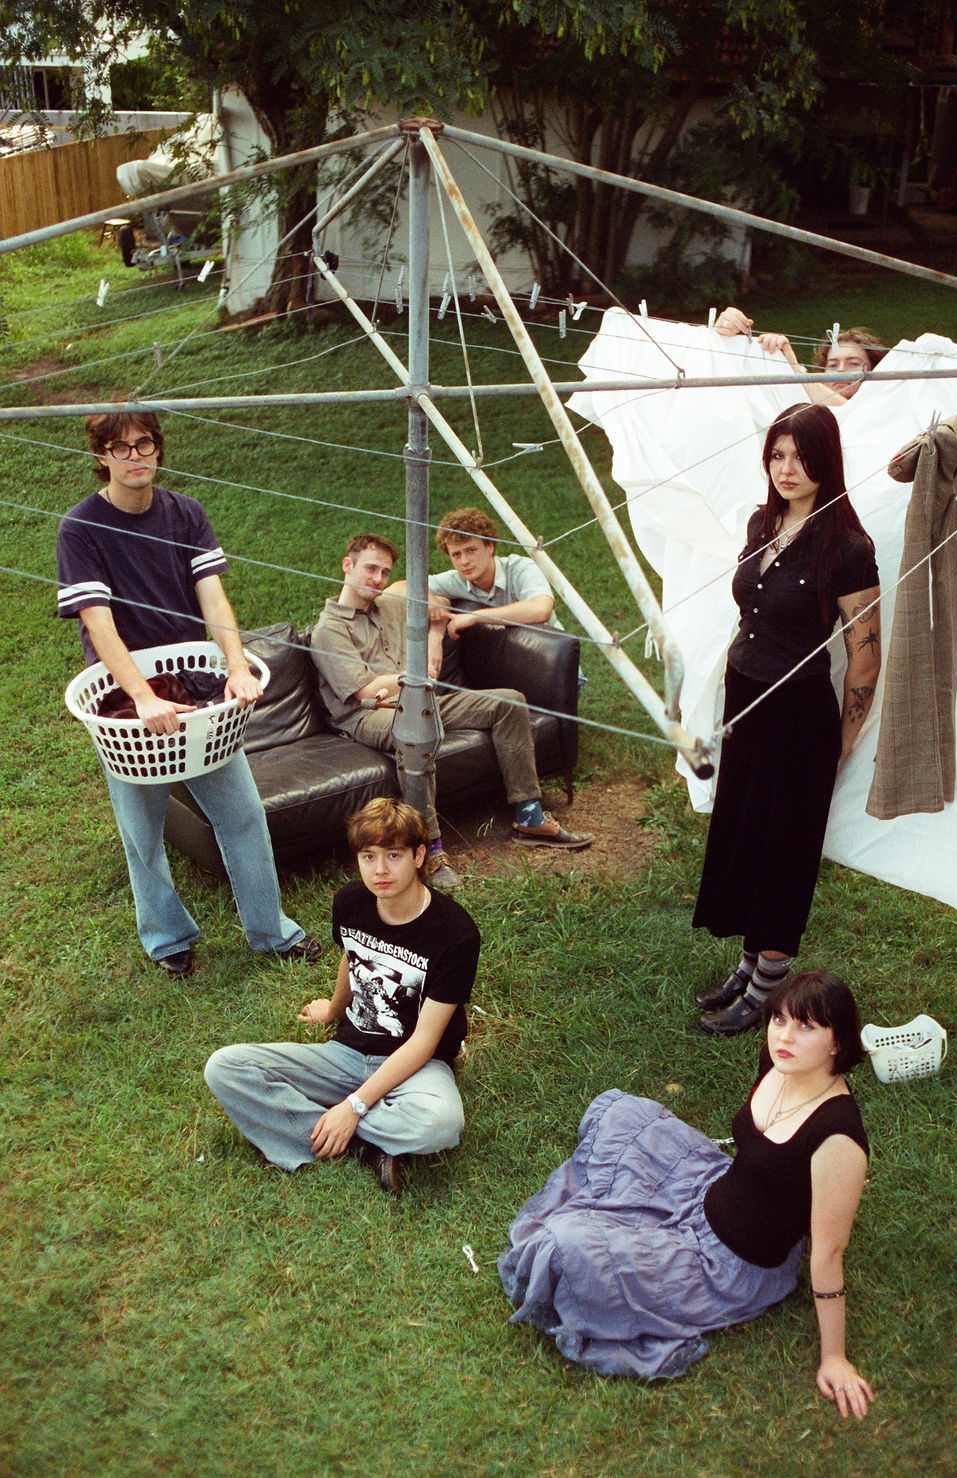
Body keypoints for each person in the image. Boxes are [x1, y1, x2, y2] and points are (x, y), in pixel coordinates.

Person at [498, 971, 874, 1414]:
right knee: (622, 1112)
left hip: (728, 1265)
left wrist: (834, 1357)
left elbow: (829, 1254)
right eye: (778, 1020)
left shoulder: (838, 1138)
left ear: (837, 1043)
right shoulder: (782, 1060)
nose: (783, 1036)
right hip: (704, 1189)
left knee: (567, 1246)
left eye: (806, 1026)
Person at [56, 411, 320, 978]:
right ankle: (167, 936)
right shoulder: (81, 528)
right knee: (142, 831)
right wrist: (143, 698)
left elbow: (213, 599)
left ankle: (270, 932)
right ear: (101, 456)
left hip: (193, 685)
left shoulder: (186, 513)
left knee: (243, 813)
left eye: (142, 444)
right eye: (118, 448)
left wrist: (235, 668)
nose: (133, 457)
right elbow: (99, 623)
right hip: (125, 701)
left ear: (157, 449)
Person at [692, 403, 881, 1035]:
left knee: (784, 847)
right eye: (777, 454)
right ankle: (749, 966)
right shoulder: (761, 522)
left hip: (798, 715)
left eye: (801, 456)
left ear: (826, 460)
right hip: (744, 698)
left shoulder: (850, 548)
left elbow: (864, 653)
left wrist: (844, 737)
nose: (787, 468)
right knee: (745, 833)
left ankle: (770, 984)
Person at [204, 798, 481, 1196]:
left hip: (417, 1066)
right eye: (369, 856)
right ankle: (366, 1147)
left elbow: (424, 1041)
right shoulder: (351, 901)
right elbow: (352, 958)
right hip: (348, 1053)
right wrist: (333, 1010)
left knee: (441, 1124)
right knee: (225, 1068)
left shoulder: (455, 932)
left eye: (394, 855)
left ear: (420, 856)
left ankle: (325, 1127)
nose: (380, 870)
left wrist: (353, 1107)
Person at [310, 533, 592, 888]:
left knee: (509, 702)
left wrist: (433, 642)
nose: (378, 579)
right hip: (368, 715)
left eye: (384, 572)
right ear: (347, 566)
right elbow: (368, 691)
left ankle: (529, 816)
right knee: (415, 733)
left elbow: (437, 602)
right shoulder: (329, 629)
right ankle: (430, 850)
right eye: (370, 569)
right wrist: (414, 677)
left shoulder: (391, 604)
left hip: (422, 699)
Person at [414, 506, 560, 638]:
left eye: (471, 550)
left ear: (489, 546)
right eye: (456, 554)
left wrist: (475, 616)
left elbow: (541, 609)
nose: (464, 561)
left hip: (554, 660)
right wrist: (430, 600)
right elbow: (404, 586)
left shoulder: (521, 568)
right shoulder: (455, 579)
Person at [714, 306, 886, 405]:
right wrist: (720, 339)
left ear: (872, 369)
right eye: (832, 365)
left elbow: (848, 412)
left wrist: (794, 369)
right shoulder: (803, 406)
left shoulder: (885, 409)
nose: (841, 370)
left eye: (853, 363)